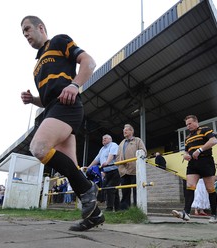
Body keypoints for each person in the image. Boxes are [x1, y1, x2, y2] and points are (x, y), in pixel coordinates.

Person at [20, 15, 102, 231]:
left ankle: (88, 189)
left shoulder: (58, 41)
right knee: (71, 168)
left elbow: (89, 62)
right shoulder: (37, 67)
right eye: (23, 33)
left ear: (40, 27)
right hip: (53, 109)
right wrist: (33, 100)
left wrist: (75, 85)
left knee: (38, 147)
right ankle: (94, 215)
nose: (26, 34)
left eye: (27, 29)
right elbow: (48, 97)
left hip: (67, 106)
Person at [172, 115, 217, 224]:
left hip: (206, 161)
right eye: (187, 124)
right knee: (190, 186)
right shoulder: (187, 137)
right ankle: (186, 213)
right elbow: (186, 151)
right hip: (193, 163)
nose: (188, 126)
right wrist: (185, 155)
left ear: (196, 122)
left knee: (210, 188)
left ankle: (214, 214)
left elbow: (213, 140)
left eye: (190, 123)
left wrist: (200, 150)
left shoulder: (205, 130)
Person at [117, 124, 147, 210]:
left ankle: (137, 209)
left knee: (136, 191)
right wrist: (119, 166)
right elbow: (118, 156)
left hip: (135, 170)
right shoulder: (121, 143)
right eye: (123, 130)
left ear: (131, 131)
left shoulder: (137, 140)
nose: (124, 131)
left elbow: (143, 152)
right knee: (125, 191)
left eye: (126, 130)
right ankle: (124, 210)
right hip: (123, 170)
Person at [86, 134, 119, 212]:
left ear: (110, 139)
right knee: (113, 190)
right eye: (102, 139)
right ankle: (118, 208)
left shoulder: (113, 145)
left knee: (110, 188)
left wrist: (107, 162)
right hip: (106, 172)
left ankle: (109, 208)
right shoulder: (102, 149)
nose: (103, 140)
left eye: (105, 138)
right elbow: (96, 159)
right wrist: (88, 167)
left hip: (115, 170)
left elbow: (112, 155)